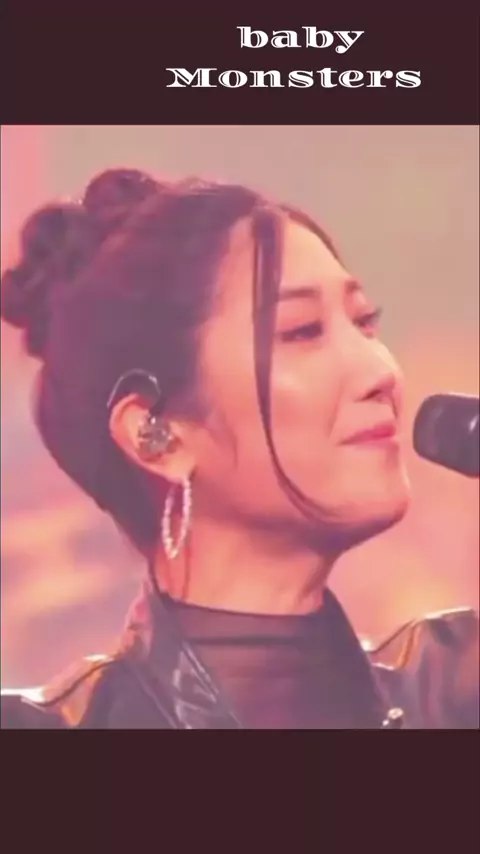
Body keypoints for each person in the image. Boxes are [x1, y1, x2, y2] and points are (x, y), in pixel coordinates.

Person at [0, 168, 478, 729]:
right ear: (156, 433)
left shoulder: (451, 694)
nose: (381, 371)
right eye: (302, 331)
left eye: (365, 323)